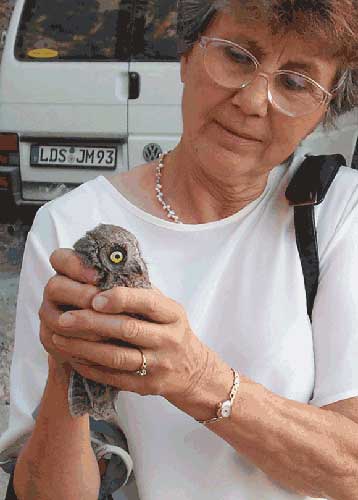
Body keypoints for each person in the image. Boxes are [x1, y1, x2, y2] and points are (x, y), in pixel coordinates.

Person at [1, 0, 358, 498]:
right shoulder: (69, 226)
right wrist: (71, 369)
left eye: (295, 83)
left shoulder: (338, 213)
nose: (254, 100)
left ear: (325, 110)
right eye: (236, 56)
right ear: (187, 56)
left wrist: (197, 378)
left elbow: (351, 469)